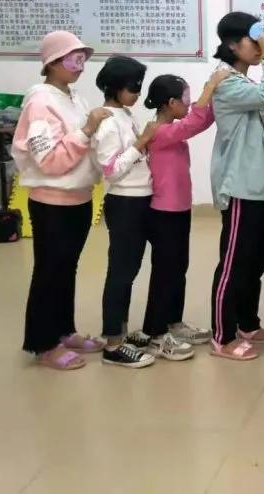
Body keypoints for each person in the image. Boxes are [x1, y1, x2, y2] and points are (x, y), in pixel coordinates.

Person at [12, 31, 110, 370]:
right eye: (73, 59)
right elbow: (50, 161)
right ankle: (43, 344)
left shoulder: (74, 97)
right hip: (51, 202)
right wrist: (87, 130)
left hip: (79, 198)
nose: (79, 66)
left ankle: (64, 331)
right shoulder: (40, 102)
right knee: (49, 271)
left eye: (82, 59)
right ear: (52, 62)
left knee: (67, 268)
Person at [208, 12, 264, 361]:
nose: (258, 45)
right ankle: (222, 337)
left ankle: (247, 324)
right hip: (240, 187)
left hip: (259, 187)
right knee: (233, 265)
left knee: (255, 263)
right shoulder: (226, 82)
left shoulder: (241, 81)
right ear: (233, 45)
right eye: (253, 40)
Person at [93, 55, 174, 367]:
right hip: (124, 201)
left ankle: (123, 333)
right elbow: (111, 170)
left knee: (131, 269)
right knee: (121, 272)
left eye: (140, 87)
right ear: (114, 87)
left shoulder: (125, 115)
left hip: (141, 199)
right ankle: (113, 343)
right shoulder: (107, 122)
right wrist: (142, 142)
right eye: (133, 87)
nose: (138, 93)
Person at [142, 70, 229, 349]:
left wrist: (215, 95)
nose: (190, 104)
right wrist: (210, 86)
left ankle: (173, 322)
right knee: (165, 270)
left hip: (179, 209)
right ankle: (156, 331)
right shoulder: (159, 132)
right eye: (186, 99)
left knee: (179, 267)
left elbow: (201, 120)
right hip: (163, 212)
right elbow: (195, 122)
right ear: (171, 103)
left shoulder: (173, 131)